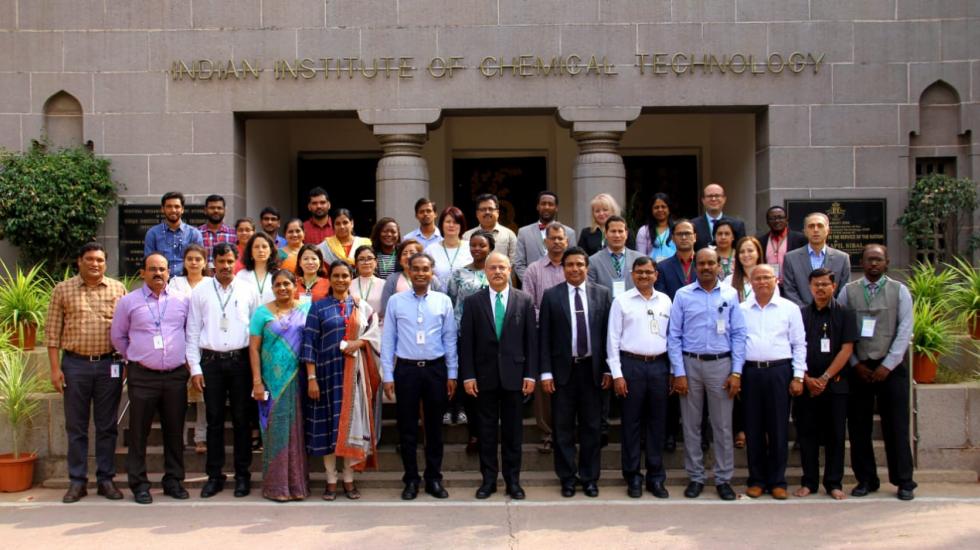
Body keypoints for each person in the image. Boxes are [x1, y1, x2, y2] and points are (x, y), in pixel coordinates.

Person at [46, 242, 128, 504]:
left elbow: (127, 328)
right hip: (75, 366)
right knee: (76, 427)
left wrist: (125, 362)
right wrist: (55, 368)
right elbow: (52, 332)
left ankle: (106, 479)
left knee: (107, 426)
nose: (95, 264)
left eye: (100, 260)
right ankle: (77, 481)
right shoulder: (63, 290)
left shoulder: (118, 289)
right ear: (79, 261)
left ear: (106, 263)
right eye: (90, 259)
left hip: (109, 366)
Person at [110, 253, 191, 504]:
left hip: (175, 376)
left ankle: (174, 481)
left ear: (169, 273)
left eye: (162, 269)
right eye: (152, 269)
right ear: (143, 272)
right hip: (142, 376)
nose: (158, 273)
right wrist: (136, 357)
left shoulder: (182, 301)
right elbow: (118, 337)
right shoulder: (128, 302)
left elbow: (189, 332)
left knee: (174, 431)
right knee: (138, 432)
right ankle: (139, 484)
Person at [668, 248, 746, 501]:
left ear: (718, 265)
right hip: (690, 365)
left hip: (721, 365)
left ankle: (723, 478)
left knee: (722, 425)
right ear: (695, 266)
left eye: (710, 263)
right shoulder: (682, 295)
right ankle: (696, 477)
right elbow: (674, 336)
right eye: (701, 263)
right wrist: (678, 372)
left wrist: (736, 372)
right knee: (691, 425)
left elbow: (739, 335)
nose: (706, 267)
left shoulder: (731, 294)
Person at [839, 244, 916, 501]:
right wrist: (854, 364)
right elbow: (841, 331)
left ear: (887, 262)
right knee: (859, 427)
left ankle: (904, 481)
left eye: (878, 260)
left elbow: (905, 330)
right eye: (869, 260)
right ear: (862, 262)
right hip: (859, 368)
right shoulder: (848, 292)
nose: (873, 264)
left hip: (890, 368)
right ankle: (866, 479)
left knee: (896, 426)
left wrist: (888, 365)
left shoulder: (900, 291)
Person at [185, 242, 260, 499]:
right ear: (212, 262)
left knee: (241, 420)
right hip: (211, 362)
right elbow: (192, 330)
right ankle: (214, 476)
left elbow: (256, 331)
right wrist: (195, 367)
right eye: (221, 262)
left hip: (240, 362)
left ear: (236, 261)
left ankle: (242, 476)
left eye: (230, 261)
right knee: (214, 420)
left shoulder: (248, 290)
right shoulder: (201, 291)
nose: (226, 266)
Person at [302, 261, 382, 501]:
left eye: (345, 275)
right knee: (329, 428)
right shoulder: (318, 308)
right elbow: (309, 344)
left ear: (351, 277)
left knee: (350, 427)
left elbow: (373, 334)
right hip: (327, 377)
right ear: (330, 278)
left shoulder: (361, 306)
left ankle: (348, 479)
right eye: (336, 275)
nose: (340, 280)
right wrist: (312, 378)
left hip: (353, 377)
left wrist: (359, 343)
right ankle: (330, 480)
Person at [460, 252, 538, 500]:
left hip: (515, 377)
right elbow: (467, 343)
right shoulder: (473, 302)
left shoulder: (524, 300)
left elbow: (531, 342)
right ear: (485, 271)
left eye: (502, 268)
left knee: (513, 433)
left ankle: (513, 481)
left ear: (510, 270)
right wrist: (468, 375)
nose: (497, 272)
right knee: (486, 432)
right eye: (492, 268)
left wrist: (531, 375)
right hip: (484, 378)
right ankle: (489, 481)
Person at [381, 253, 458, 500]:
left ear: (432, 271)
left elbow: (449, 339)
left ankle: (434, 478)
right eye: (416, 269)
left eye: (426, 269)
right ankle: (411, 479)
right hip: (406, 370)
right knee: (407, 428)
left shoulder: (443, 300)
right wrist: (387, 375)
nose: (421, 273)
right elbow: (388, 339)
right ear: (409, 271)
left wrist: (452, 372)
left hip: (435, 369)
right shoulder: (395, 301)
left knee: (434, 428)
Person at [538, 247, 612, 498]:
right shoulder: (551, 296)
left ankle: (590, 478)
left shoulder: (602, 295)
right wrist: (546, 373)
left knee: (592, 428)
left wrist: (608, 370)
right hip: (562, 373)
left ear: (587, 267)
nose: (575, 269)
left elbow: (607, 337)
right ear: (563, 268)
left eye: (580, 264)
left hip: (592, 372)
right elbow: (544, 337)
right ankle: (567, 477)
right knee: (563, 428)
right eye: (570, 265)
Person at [739, 264, 806, 500]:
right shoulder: (742, 309)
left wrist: (798, 375)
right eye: (757, 278)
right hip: (751, 373)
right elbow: (736, 344)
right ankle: (756, 480)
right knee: (753, 428)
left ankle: (778, 481)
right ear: (750, 282)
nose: (762, 282)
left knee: (778, 428)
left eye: (767, 277)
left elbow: (799, 344)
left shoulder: (789, 309)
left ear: (776, 279)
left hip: (779, 372)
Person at [606, 256, 671, 499]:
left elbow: (672, 336)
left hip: (658, 367)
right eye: (639, 272)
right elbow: (612, 339)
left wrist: (673, 371)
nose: (644, 276)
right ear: (632, 275)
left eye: (648, 272)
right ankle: (633, 476)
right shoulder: (622, 301)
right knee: (631, 425)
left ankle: (656, 477)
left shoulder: (665, 301)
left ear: (656, 274)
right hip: (630, 366)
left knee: (657, 424)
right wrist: (617, 374)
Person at [794, 267, 857, 500]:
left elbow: (847, 349)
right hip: (807, 385)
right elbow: (795, 347)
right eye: (816, 284)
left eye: (824, 284)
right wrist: (807, 378)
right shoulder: (800, 314)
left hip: (835, 385)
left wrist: (825, 378)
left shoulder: (845, 314)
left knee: (836, 436)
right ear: (810, 287)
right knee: (807, 435)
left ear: (834, 286)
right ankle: (809, 481)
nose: (820, 288)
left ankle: (833, 483)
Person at [249, 269, 311, 501]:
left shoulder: (306, 307)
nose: (283, 288)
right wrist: (257, 381)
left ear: (296, 285)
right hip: (271, 382)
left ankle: (296, 485)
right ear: (272, 287)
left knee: (296, 431)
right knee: (274, 431)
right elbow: (253, 348)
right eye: (278, 285)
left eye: (287, 284)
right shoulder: (261, 313)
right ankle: (276, 487)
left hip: (299, 378)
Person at [522, 223, 569, 454]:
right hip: (543, 333)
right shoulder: (533, 270)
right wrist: (555, 316)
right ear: (545, 242)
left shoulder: (574, 266)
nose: (557, 242)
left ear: (567, 241)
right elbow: (528, 304)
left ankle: (565, 431)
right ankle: (547, 432)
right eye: (553, 238)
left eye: (561, 238)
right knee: (544, 387)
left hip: (572, 335)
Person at [445, 231, 495, 447]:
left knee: (488, 387)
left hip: (491, 336)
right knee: (470, 384)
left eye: (481, 245)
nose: (476, 249)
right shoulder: (458, 274)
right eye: (473, 245)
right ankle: (474, 433)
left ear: (490, 248)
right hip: (464, 335)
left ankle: (488, 432)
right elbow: (451, 300)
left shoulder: (497, 271)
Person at [653, 218, 697, 452]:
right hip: (673, 333)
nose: (683, 237)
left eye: (687, 233)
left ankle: (701, 436)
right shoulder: (664, 267)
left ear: (695, 237)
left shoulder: (706, 263)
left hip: (700, 337)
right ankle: (670, 433)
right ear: (672, 238)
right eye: (679, 234)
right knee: (672, 387)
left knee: (698, 389)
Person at [167, 244, 210, 455]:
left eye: (198, 259)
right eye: (190, 259)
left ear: (205, 262)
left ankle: (201, 437)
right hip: (178, 343)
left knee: (202, 396)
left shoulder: (211, 283)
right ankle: (180, 438)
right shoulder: (175, 282)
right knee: (179, 396)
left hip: (204, 344)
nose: (194, 262)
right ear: (184, 261)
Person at [782, 212, 851, 306]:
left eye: (820, 226)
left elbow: (844, 290)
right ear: (805, 231)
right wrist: (804, 312)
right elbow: (789, 290)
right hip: (802, 315)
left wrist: (831, 311)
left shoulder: (842, 258)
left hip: (832, 315)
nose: (815, 230)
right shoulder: (790, 258)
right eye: (811, 226)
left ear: (828, 230)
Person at [514, 191, 576, 281]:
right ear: (538, 207)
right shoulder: (524, 232)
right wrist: (530, 282)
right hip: (533, 287)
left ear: (556, 208)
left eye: (550, 204)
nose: (546, 207)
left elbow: (572, 260)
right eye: (543, 204)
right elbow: (519, 264)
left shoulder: (569, 233)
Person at [143, 191, 203, 276]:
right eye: (169, 206)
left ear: (182, 209)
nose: (173, 210)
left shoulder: (194, 234)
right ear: (162, 209)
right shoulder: (153, 233)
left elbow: (199, 261)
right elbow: (149, 262)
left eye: (177, 206)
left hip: (187, 282)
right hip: (162, 282)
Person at [380, 239, 444, 316]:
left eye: (412, 253)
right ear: (400, 260)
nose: (408, 256)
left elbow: (442, 304)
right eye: (404, 253)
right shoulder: (392, 279)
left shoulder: (432, 279)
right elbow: (386, 307)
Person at [587, 215, 641, 299]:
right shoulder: (593, 261)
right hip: (605, 309)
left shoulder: (639, 259)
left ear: (626, 234)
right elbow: (591, 292)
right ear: (606, 234)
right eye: (613, 231)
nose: (617, 235)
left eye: (620, 231)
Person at [462, 193, 518, 266]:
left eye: (490, 209)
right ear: (477, 214)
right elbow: (464, 261)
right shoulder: (467, 236)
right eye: (483, 209)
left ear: (497, 212)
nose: (487, 212)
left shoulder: (509, 235)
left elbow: (514, 262)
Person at [758, 205, 807, 282]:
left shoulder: (800, 239)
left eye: (780, 217)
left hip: (792, 286)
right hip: (769, 285)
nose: (777, 221)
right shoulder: (761, 241)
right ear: (767, 222)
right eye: (772, 218)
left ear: (786, 220)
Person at [426, 206, 472, 288]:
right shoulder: (430, 250)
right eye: (448, 221)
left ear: (461, 225)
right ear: (441, 224)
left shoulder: (470, 248)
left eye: (455, 222)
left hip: (465, 297)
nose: (451, 225)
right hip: (438, 297)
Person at [691, 183, 746, 251]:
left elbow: (741, 250)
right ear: (703, 200)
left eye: (717, 196)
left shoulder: (737, 225)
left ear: (724, 199)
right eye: (710, 196)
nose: (713, 199)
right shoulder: (693, 225)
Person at [235, 232, 279, 303]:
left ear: (271, 251)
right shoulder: (241, 275)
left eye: (264, 247)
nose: (261, 250)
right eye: (256, 247)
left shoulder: (279, 274)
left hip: (273, 313)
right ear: (250, 251)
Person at [635, 193, 676, 262]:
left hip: (674, 269)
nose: (660, 210)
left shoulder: (677, 228)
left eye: (663, 207)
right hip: (651, 270)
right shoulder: (644, 231)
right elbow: (641, 256)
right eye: (656, 207)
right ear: (651, 210)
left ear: (669, 209)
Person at [197, 194, 236, 267]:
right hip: (203, 277)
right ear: (205, 210)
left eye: (219, 208)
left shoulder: (234, 234)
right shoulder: (196, 233)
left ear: (225, 210)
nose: (216, 210)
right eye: (212, 208)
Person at [724, 236, 765, 304]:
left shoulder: (768, 279)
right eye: (742, 252)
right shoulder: (729, 280)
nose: (746, 255)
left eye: (750, 251)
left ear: (758, 253)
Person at [351, 245, 385, 315]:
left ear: (376, 262)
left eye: (369, 258)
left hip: (380, 324)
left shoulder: (385, 285)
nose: (366, 262)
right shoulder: (349, 285)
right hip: (356, 324)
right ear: (356, 263)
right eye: (361, 259)